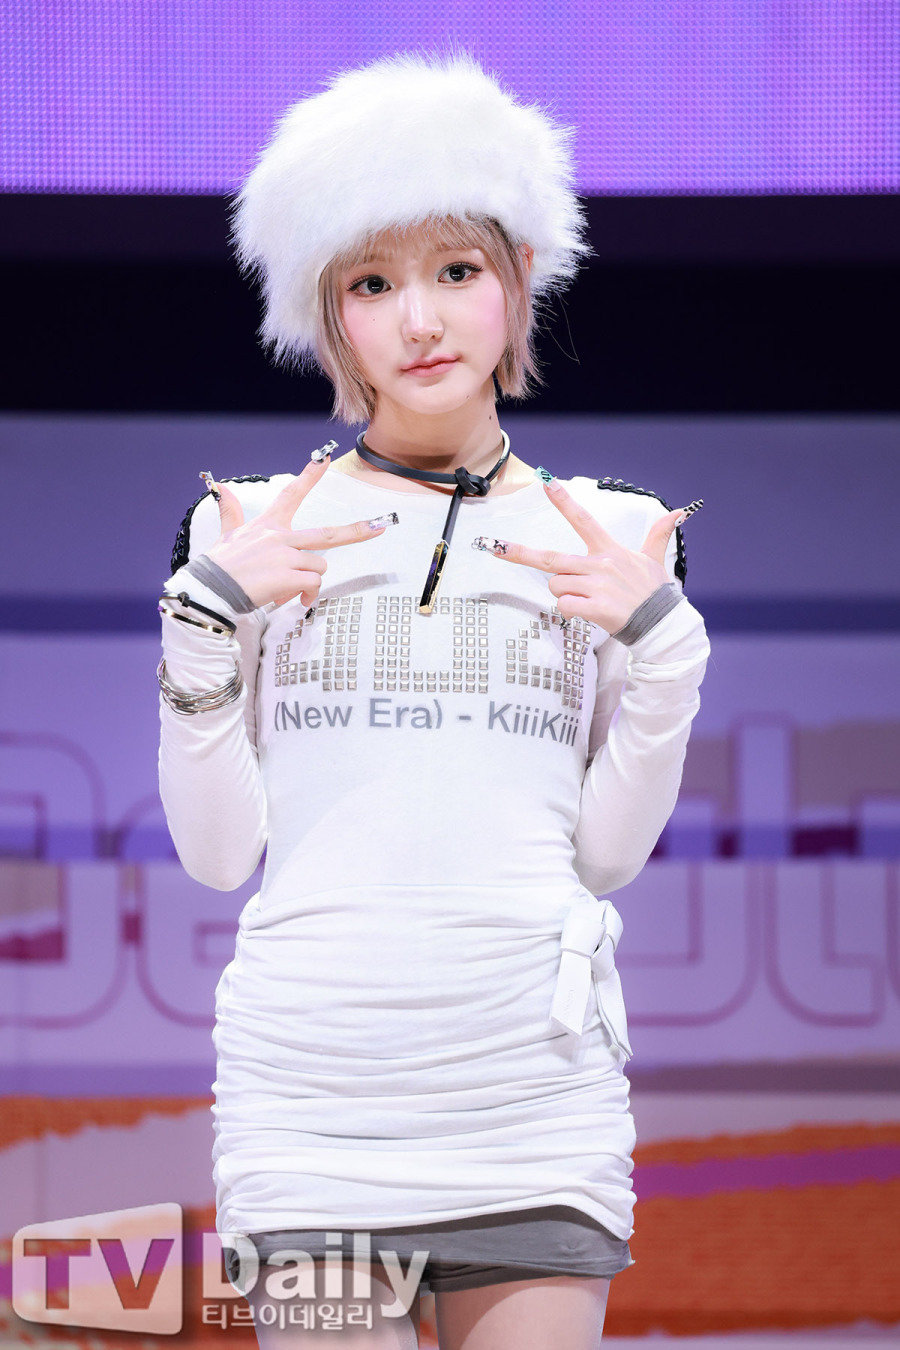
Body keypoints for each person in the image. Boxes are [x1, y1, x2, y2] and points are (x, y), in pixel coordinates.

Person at [157, 49, 711, 1349]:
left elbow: (605, 857)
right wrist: (205, 620)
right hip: (316, 1098)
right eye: (372, 283)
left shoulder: (614, 533)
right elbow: (218, 854)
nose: (420, 320)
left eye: (457, 270)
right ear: (328, 316)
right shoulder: (248, 524)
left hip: (530, 1088)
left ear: (521, 279)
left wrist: (664, 654)